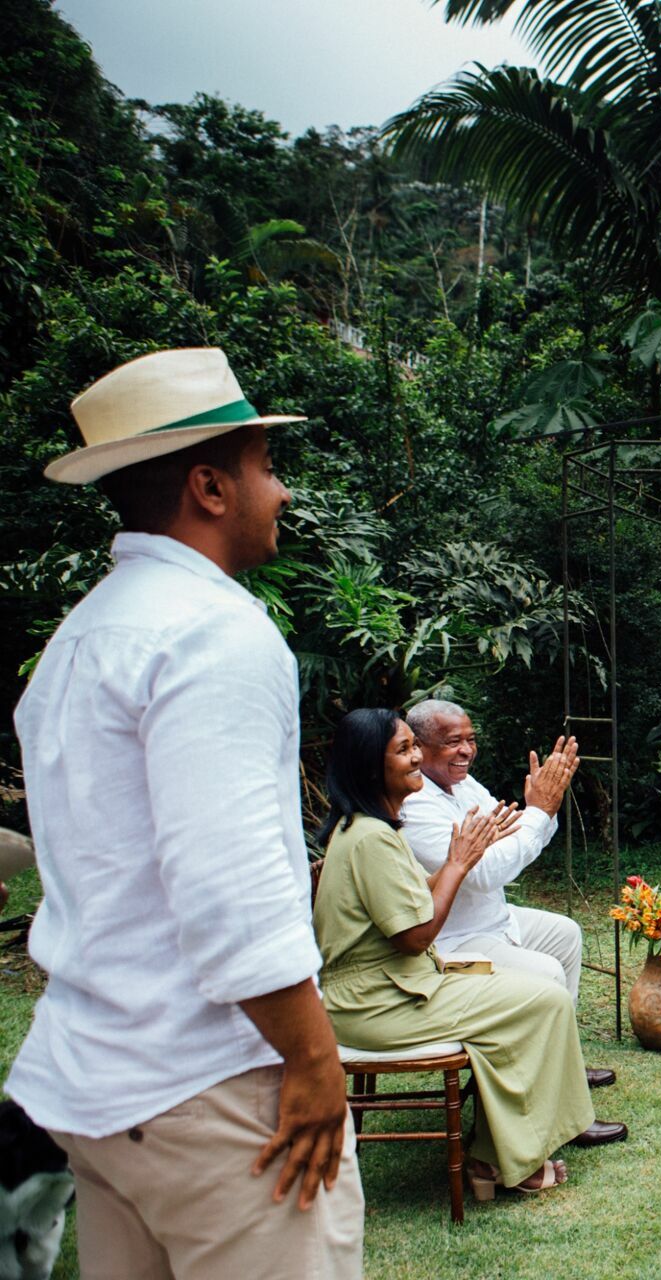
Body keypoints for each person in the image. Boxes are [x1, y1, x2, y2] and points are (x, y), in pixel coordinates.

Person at [8, 347, 363, 1276]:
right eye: (266, 467)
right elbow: (230, 887)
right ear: (209, 487)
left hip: (102, 1089)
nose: (283, 491)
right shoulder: (215, 631)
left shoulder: (79, 638)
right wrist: (313, 1060)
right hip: (216, 1088)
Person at [312, 709, 599, 1199]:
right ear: (370, 766)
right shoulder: (372, 837)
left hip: (399, 984)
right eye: (405, 749)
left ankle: (504, 1147)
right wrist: (459, 862)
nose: (416, 758)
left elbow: (412, 901)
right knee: (544, 996)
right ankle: (499, 1162)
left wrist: (462, 858)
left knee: (539, 983)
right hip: (377, 1002)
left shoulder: (372, 828)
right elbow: (415, 935)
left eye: (414, 746)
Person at [399, 699, 625, 1129]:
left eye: (471, 740)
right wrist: (536, 813)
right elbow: (485, 872)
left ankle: (559, 1066)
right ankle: (553, 1100)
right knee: (546, 973)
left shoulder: (464, 786)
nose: (466, 751)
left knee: (565, 934)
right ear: (419, 748)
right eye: (453, 741)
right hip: (453, 940)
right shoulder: (415, 804)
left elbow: (515, 836)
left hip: (494, 920)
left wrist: (541, 810)